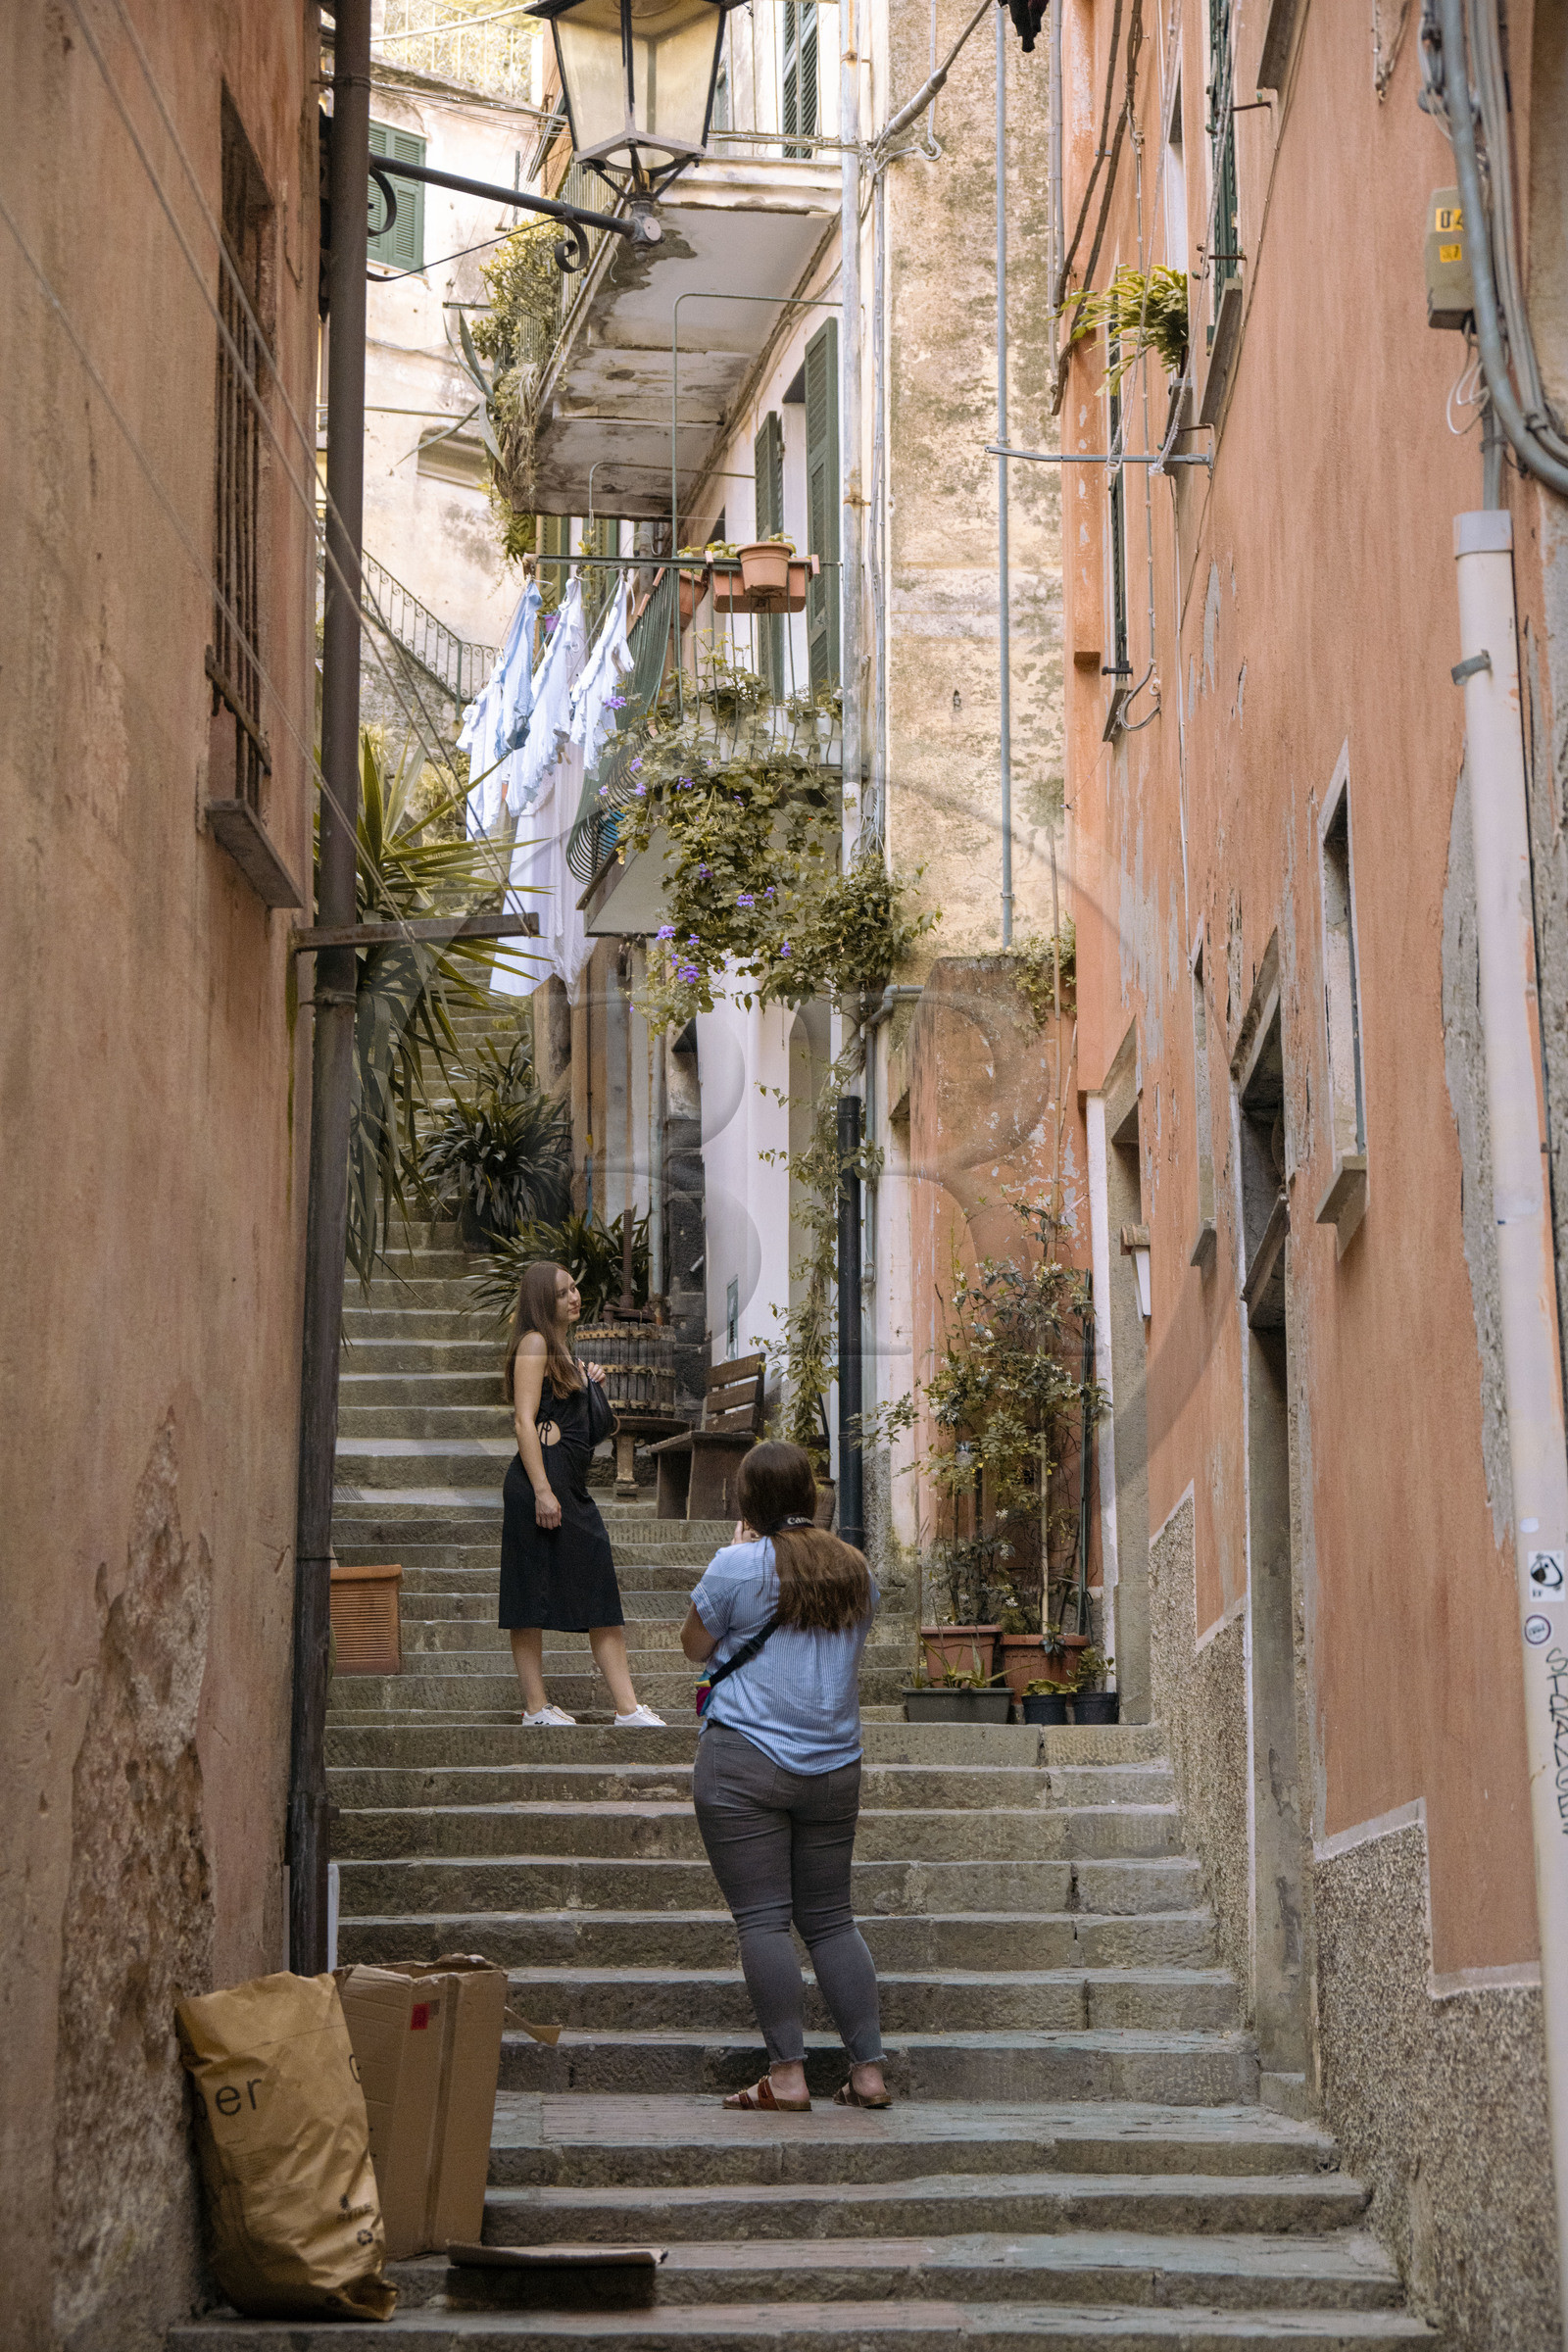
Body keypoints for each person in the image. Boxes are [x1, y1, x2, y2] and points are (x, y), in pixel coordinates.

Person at [680, 1440, 889, 2111]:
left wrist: (738, 1548)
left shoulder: (737, 1565)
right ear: (811, 1496)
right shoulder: (855, 1569)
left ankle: (789, 2076)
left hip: (744, 1762)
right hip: (834, 1768)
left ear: (748, 1503)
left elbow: (693, 1646)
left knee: (764, 1920)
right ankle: (868, 2073)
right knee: (831, 1920)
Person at [500, 1260, 664, 1728]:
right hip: (541, 1483)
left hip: (565, 1483)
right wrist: (542, 1491)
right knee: (528, 1596)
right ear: (540, 1302)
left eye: (575, 1287)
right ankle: (537, 1709)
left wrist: (586, 1384)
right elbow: (523, 1421)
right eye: (562, 1292)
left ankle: (627, 1709)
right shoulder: (533, 1343)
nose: (574, 1297)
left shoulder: (559, 1351)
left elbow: (575, 1420)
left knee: (599, 1590)